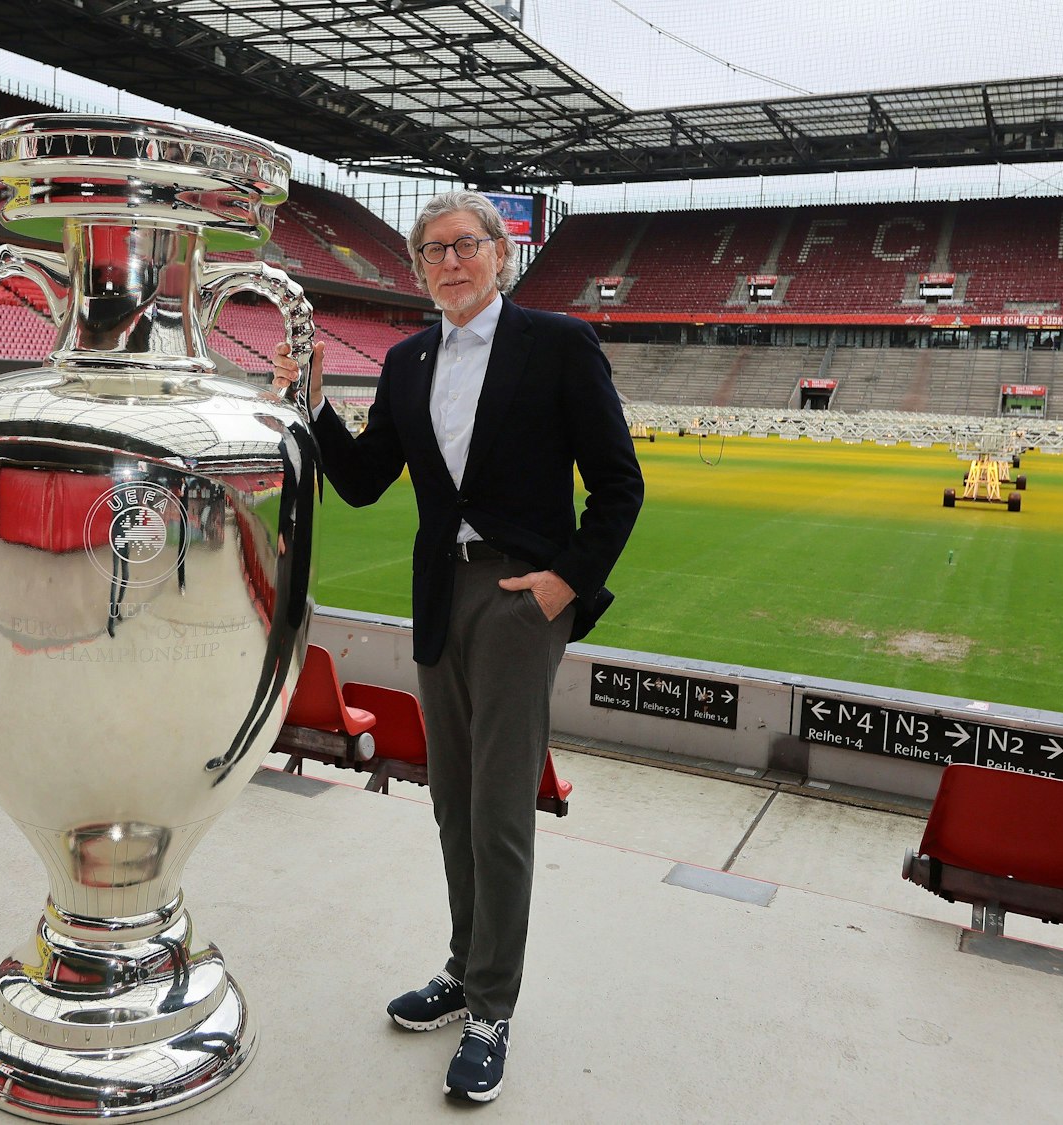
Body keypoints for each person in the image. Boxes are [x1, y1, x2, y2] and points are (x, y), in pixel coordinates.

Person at [272, 190, 643, 1104]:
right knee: (451, 800)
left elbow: (619, 485)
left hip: (522, 595)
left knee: (501, 806)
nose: (450, 261)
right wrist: (314, 399)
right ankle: (463, 966)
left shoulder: (557, 343)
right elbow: (360, 483)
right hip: (441, 594)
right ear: (418, 266)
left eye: (465, 245)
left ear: (499, 254)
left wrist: (562, 585)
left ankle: (492, 1008)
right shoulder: (406, 361)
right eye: (432, 250)